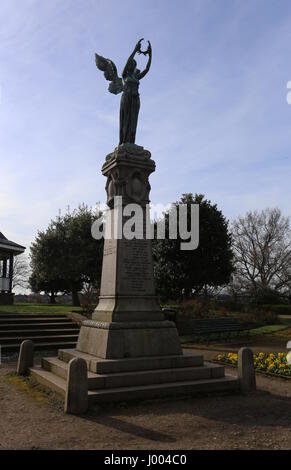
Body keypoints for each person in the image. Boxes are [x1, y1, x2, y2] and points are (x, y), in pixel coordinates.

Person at [119, 39, 152, 145]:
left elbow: (147, 69)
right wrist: (135, 50)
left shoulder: (136, 76)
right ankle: (124, 142)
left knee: (133, 122)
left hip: (135, 98)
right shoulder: (124, 75)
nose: (132, 65)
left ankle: (131, 142)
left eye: (134, 64)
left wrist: (150, 55)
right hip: (126, 97)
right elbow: (128, 61)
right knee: (126, 121)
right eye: (131, 64)